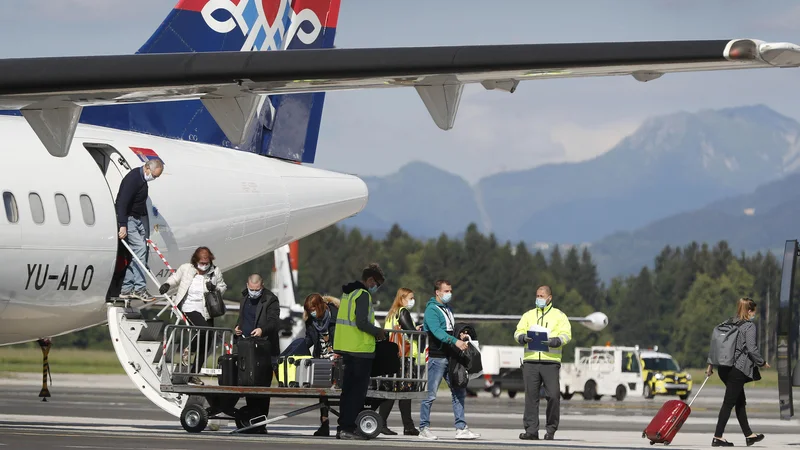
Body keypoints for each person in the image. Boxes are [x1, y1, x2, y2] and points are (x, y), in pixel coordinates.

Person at [331, 263, 387, 440]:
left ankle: (343, 427)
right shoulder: (362, 295)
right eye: (377, 283)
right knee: (356, 393)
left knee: (348, 392)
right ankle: (348, 427)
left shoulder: (349, 293)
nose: (376, 287)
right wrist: (378, 331)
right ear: (370, 280)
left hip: (348, 348)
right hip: (360, 350)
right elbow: (362, 322)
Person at [418, 280, 479, 441]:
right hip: (437, 358)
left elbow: (449, 330)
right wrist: (455, 341)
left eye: (450, 290)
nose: (449, 293)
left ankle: (461, 428)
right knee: (430, 394)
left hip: (450, 358)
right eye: (446, 291)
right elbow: (437, 331)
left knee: (459, 391)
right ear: (437, 292)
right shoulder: (431, 310)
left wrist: (460, 335)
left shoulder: (447, 309)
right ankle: (423, 428)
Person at [159, 246, 227, 385]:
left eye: (206, 262)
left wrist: (215, 289)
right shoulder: (186, 268)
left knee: (208, 341)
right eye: (201, 262)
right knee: (203, 330)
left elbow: (223, 286)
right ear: (196, 260)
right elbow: (175, 278)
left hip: (207, 308)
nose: (204, 265)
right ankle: (189, 349)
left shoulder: (215, 271)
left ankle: (193, 373)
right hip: (189, 306)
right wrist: (167, 284)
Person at [706, 297, 768, 447]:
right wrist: (762, 362)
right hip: (737, 370)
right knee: (729, 403)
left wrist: (710, 365)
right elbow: (752, 349)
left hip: (723, 368)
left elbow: (716, 345)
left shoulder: (729, 322)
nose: (755, 314)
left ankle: (749, 435)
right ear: (749, 311)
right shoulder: (748, 326)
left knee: (739, 401)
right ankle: (718, 436)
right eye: (754, 311)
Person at [514, 285, 572, 441]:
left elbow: (567, 335)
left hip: (550, 362)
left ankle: (551, 429)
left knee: (553, 396)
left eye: (541, 296)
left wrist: (556, 341)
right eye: (537, 295)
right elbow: (518, 331)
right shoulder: (528, 315)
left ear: (549, 298)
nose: (538, 298)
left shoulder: (559, 316)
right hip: (531, 361)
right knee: (531, 398)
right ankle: (531, 431)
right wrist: (522, 338)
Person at [233, 273, 281, 427]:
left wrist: (262, 330)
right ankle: (250, 419)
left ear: (262, 286)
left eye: (257, 289)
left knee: (262, 387)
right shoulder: (244, 298)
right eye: (252, 289)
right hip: (247, 348)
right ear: (247, 285)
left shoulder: (270, 299)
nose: (254, 292)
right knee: (248, 383)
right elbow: (242, 318)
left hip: (263, 349)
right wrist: (237, 328)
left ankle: (260, 422)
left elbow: (274, 322)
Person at [117, 159, 163, 301]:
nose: (153, 178)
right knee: (140, 250)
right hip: (129, 220)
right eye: (154, 175)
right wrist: (122, 224)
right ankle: (139, 288)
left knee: (139, 254)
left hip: (136, 219)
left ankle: (126, 289)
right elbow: (122, 202)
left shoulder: (142, 180)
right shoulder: (133, 179)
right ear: (147, 168)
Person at [377, 288, 421, 436]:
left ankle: (384, 423)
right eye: (410, 298)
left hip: (392, 355)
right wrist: (418, 333)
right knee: (404, 390)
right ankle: (406, 426)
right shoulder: (402, 312)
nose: (412, 301)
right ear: (402, 299)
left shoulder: (391, 314)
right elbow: (410, 332)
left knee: (392, 390)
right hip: (404, 357)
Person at [301, 293, 340, 437]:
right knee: (322, 393)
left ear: (320, 306)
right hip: (321, 357)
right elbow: (309, 339)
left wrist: (340, 352)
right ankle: (324, 424)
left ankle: (344, 423)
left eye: (313, 309)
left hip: (338, 357)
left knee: (341, 391)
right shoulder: (310, 321)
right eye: (309, 310)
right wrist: (299, 348)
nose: (311, 313)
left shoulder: (336, 315)